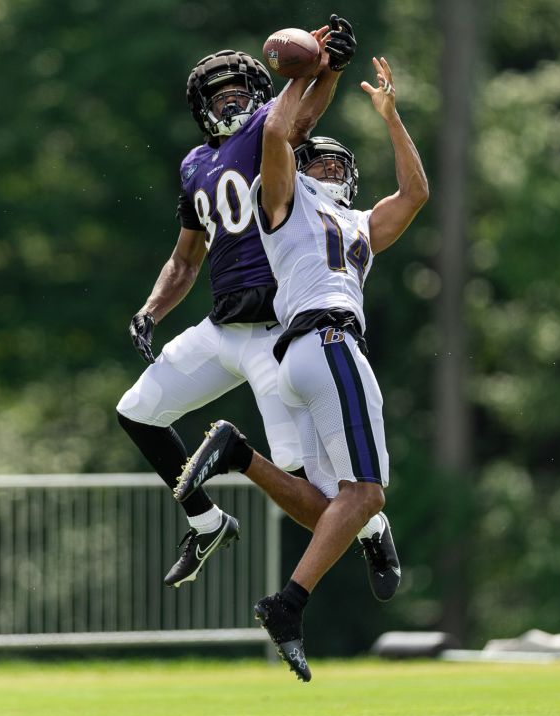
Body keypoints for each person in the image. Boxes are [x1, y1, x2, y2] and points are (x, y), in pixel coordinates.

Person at [175, 54, 429, 681]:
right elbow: (274, 134)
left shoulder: (359, 222)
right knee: (368, 493)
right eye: (314, 159)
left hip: (302, 356)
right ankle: (288, 605)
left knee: (334, 513)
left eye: (335, 163)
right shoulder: (281, 199)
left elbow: (416, 193)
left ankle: (239, 456)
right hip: (327, 341)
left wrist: (392, 119)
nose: (324, 167)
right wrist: (317, 73)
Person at [117, 17, 383, 590]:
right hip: (223, 326)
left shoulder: (270, 129)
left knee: (301, 478)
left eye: (241, 92)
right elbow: (186, 259)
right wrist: (151, 311)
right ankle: (206, 521)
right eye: (220, 97)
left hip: (276, 333)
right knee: (136, 411)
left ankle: (370, 526)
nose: (232, 102)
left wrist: (327, 67)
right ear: (201, 107)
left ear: (262, 95)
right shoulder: (193, 166)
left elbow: (303, 117)